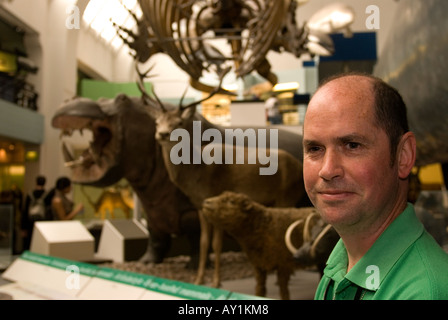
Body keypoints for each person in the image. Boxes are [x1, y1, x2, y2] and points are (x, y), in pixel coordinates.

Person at [302, 72, 448, 300]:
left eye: (352, 145)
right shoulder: (340, 265)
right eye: (314, 149)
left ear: (403, 156)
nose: (327, 170)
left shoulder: (425, 292)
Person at [21, 175, 52, 251]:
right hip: (42, 221)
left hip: (30, 221)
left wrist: (23, 227)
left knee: (29, 241)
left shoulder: (30, 194)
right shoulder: (47, 194)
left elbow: (25, 210)